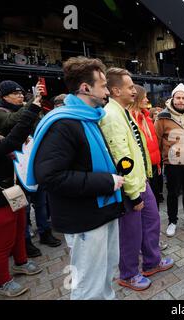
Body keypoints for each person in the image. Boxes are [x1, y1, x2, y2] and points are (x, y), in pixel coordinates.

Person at [27, 57, 126, 300]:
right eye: (103, 86)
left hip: (102, 212)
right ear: (86, 88)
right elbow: (50, 176)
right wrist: (107, 182)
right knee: (88, 287)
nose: (107, 91)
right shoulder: (63, 124)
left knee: (105, 276)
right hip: (85, 219)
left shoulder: (88, 117)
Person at [100, 68, 174, 291]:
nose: (135, 90)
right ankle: (129, 274)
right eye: (130, 86)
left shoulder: (123, 112)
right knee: (131, 232)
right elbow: (123, 157)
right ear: (116, 90)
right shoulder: (112, 116)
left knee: (151, 221)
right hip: (131, 185)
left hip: (142, 180)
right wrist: (132, 193)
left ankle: (152, 262)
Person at [0, 87, 44, 297]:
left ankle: (21, 262)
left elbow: (10, 142)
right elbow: (12, 140)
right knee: (2, 241)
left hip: (13, 190)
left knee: (19, 227)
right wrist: (33, 108)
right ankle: (3, 281)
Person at [154, 83, 184, 237]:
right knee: (173, 193)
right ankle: (172, 221)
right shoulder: (163, 116)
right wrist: (160, 160)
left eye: (183, 98)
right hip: (172, 162)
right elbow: (156, 139)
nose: (180, 101)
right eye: (178, 97)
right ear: (173, 98)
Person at [129, 85, 162, 209]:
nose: (147, 100)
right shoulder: (131, 120)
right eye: (144, 97)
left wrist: (157, 163)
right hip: (142, 170)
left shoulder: (147, 118)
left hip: (153, 168)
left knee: (155, 204)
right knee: (147, 207)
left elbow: (153, 144)